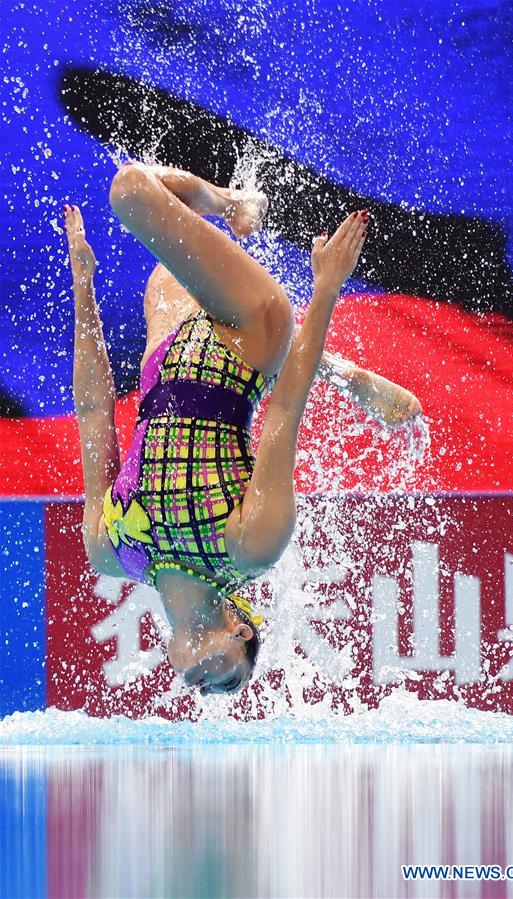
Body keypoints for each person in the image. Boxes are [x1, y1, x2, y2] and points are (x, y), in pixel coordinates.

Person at [64, 163, 421, 697]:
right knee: (131, 191)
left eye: (208, 692)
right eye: (232, 677)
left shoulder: (111, 551)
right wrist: (326, 290)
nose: (210, 688)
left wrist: (83, 285)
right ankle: (235, 205)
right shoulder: (251, 546)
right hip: (250, 336)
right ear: (242, 628)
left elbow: (94, 413)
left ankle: (232, 210)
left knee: (165, 229)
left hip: (165, 348)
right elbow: (284, 413)